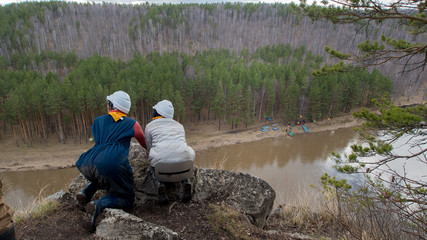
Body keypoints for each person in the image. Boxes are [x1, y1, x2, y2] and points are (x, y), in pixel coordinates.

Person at [75, 90, 147, 233]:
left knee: (101, 174)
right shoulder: (132, 124)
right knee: (127, 198)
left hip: (88, 161)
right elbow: (144, 143)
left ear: (111, 105)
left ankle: (85, 193)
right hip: (111, 163)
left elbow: (101, 139)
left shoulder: (98, 121)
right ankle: (98, 205)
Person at [145, 100, 195, 205]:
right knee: (184, 154)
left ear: (158, 112)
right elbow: (183, 142)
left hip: (161, 166)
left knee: (152, 165)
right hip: (183, 164)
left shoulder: (150, 126)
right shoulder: (179, 125)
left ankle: (159, 185)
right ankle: (186, 182)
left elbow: (149, 147)